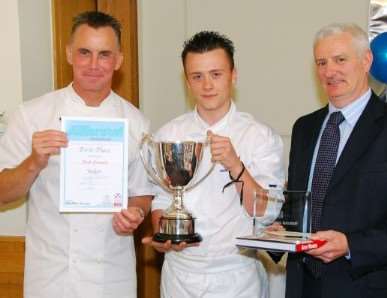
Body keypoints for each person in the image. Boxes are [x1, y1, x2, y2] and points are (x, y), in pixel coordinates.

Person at [281, 23, 387, 298]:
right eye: (321, 62)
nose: (329, 71)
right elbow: (301, 205)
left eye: (340, 59)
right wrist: (280, 226)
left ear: (366, 60)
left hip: (371, 288)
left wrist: (351, 245)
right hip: (305, 287)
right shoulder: (304, 128)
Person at [0, 11, 152, 298]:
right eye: (85, 52)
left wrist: (136, 213)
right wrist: (34, 162)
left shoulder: (136, 124)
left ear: (119, 60)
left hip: (111, 274)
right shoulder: (32, 115)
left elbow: (141, 193)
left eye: (104, 54)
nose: (94, 64)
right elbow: (3, 193)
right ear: (69, 53)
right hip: (50, 275)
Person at [144, 31, 285, 297]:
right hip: (180, 273)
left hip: (237, 274)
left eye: (216, 74)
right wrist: (164, 236)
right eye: (197, 76)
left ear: (234, 75)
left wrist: (235, 164)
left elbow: (267, 212)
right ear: (187, 81)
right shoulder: (168, 135)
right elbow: (161, 199)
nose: (207, 85)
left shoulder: (259, 136)